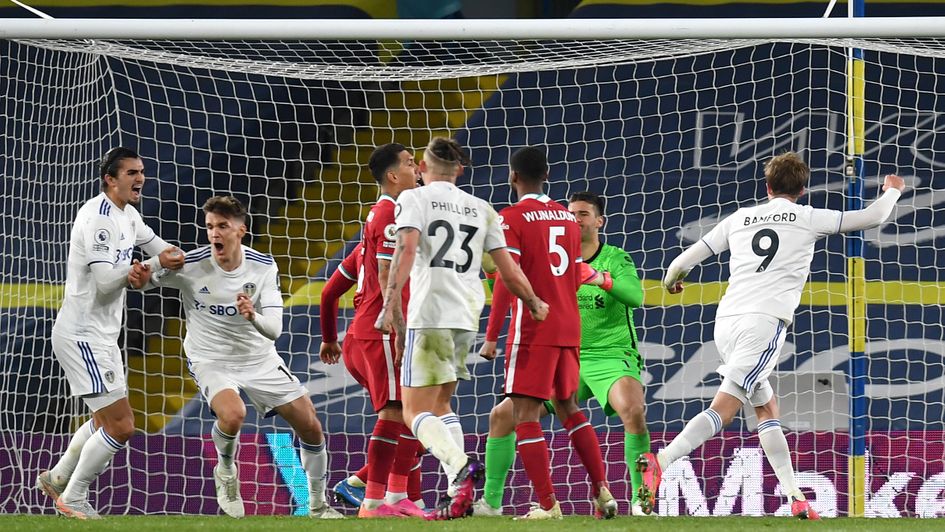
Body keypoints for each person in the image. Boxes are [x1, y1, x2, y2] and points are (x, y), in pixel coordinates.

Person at [638, 152, 906, 519]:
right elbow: (872, 216)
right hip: (763, 324)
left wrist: (672, 283)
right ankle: (662, 460)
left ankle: (796, 497)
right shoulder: (808, 216)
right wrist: (892, 191)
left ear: (767, 187)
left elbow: (681, 262)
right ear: (802, 188)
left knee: (766, 408)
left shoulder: (740, 218)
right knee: (725, 410)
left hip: (726, 322)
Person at [134, 196, 342, 519]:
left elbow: (273, 329)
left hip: (258, 357)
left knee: (311, 426)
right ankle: (226, 470)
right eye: (209, 227)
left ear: (241, 230)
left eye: (222, 226)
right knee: (233, 415)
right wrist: (148, 270)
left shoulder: (263, 266)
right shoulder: (191, 264)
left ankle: (317, 505)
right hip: (210, 357)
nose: (214, 234)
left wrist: (252, 316)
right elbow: (145, 282)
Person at [375, 137, 548, 520]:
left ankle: (459, 466)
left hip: (430, 310)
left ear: (421, 168)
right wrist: (534, 301)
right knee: (441, 405)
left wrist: (390, 304)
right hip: (467, 314)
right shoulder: (482, 208)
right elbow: (507, 269)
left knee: (413, 411)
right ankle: (459, 493)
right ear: (460, 170)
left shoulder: (413, 200)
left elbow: (405, 250)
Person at [475, 190, 651, 517]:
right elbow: (511, 287)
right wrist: (490, 274)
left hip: (609, 355)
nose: (576, 219)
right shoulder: (550, 257)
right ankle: (491, 503)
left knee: (634, 411)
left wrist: (599, 278)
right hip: (561, 351)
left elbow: (635, 297)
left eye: (583, 214)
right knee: (501, 416)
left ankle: (643, 500)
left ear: (600, 221)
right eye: (571, 213)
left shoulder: (615, 256)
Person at [36, 147, 184, 520]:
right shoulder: (98, 218)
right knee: (121, 425)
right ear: (110, 179)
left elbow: (162, 251)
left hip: (101, 336)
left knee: (105, 419)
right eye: (132, 172)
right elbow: (105, 282)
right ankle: (74, 496)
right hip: (83, 334)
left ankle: (58, 477)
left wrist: (181, 261)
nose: (140, 178)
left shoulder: (128, 215)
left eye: (142, 171)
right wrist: (149, 267)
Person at [334, 143, 426, 518]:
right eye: (408, 164)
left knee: (416, 416)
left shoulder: (394, 212)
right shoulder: (390, 212)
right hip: (384, 328)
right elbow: (388, 274)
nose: (416, 169)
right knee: (398, 412)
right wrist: (398, 326)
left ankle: (394, 495)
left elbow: (330, 293)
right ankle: (378, 499)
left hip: (379, 327)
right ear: (392, 176)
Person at [319, 243, 425, 511]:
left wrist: (330, 338)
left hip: (356, 341)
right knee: (403, 415)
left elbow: (329, 293)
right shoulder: (402, 241)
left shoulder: (363, 248)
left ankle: (411, 499)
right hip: (383, 335)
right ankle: (371, 492)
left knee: (414, 422)